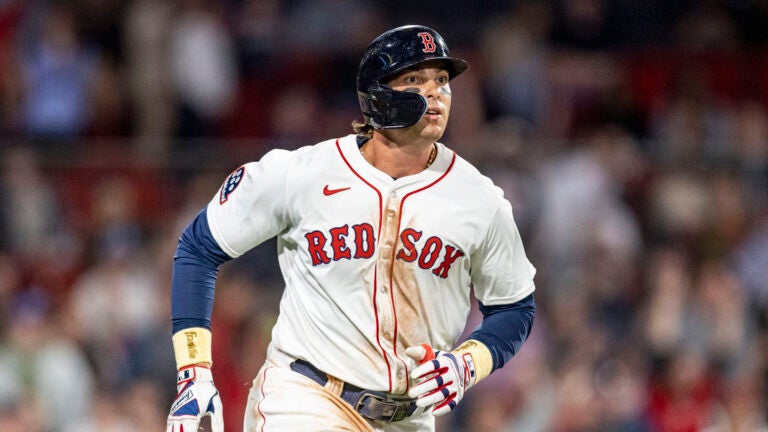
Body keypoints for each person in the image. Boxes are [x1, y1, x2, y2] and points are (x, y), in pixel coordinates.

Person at [166, 24, 537, 432]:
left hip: (409, 418)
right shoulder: (303, 173)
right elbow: (199, 246)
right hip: (305, 397)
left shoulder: (479, 199)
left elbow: (514, 307)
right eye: (415, 80)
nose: (435, 93)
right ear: (376, 96)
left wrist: (468, 361)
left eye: (442, 81)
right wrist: (193, 371)